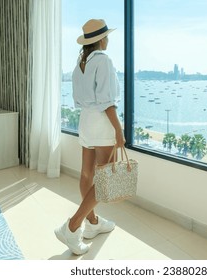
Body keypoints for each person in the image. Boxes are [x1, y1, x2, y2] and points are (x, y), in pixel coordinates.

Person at [55, 19, 125, 255]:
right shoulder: (103, 60)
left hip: (85, 121)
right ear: (100, 39)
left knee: (87, 173)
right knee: (105, 178)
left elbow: (79, 98)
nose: (108, 39)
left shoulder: (80, 63)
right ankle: (73, 226)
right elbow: (107, 101)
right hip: (102, 122)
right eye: (106, 36)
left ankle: (93, 223)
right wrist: (119, 129)